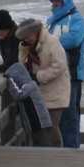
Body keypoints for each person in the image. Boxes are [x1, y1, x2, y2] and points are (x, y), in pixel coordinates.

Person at [16, 18, 70, 147]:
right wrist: (24, 50)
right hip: (39, 94)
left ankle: (57, 154)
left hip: (56, 92)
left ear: (36, 32)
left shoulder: (52, 42)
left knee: (51, 126)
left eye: (28, 37)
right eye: (23, 38)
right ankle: (42, 153)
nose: (26, 40)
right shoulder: (26, 45)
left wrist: (39, 76)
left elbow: (60, 66)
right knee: (39, 127)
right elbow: (22, 65)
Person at [46, 0, 84, 149]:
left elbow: (74, 40)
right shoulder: (50, 22)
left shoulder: (77, 19)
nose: (55, 4)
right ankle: (58, 150)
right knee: (55, 116)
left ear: (66, 2)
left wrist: (51, 42)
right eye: (53, 1)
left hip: (72, 76)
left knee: (70, 117)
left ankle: (72, 150)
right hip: (53, 76)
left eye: (58, 1)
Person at [0, 9, 20, 76]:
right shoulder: (4, 38)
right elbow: (7, 63)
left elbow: (13, 64)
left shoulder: (18, 38)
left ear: (6, 28)